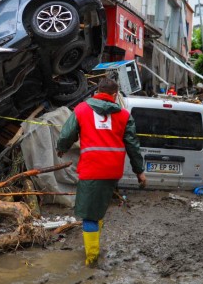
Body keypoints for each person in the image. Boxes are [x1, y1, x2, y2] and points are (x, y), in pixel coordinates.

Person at [56, 78, 146, 267]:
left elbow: (66, 134)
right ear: (114, 95)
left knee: (89, 214)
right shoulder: (123, 115)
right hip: (113, 171)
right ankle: (96, 247)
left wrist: (62, 147)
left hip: (92, 169)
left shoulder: (81, 109)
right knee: (98, 209)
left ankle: (92, 259)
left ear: (97, 92)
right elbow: (133, 145)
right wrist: (139, 172)